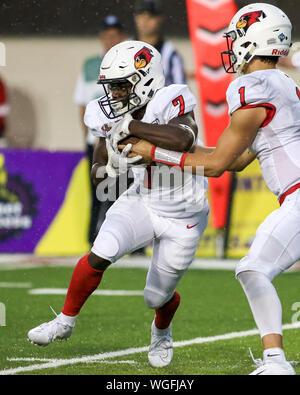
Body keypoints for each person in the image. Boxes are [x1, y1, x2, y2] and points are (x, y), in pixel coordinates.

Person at [126, 3, 300, 375]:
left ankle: (276, 362)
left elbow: (219, 164)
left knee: (254, 269)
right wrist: (163, 153)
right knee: (254, 269)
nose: (233, 44)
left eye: (237, 35)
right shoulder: (282, 83)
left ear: (256, 39)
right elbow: (235, 160)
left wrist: (153, 152)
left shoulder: (252, 86)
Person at [27, 40, 210, 368]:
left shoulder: (172, 97)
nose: (115, 95)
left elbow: (185, 138)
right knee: (101, 251)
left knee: (156, 297)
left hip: (184, 212)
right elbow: (97, 172)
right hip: (141, 199)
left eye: (122, 86)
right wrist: (112, 167)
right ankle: (65, 321)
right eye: (111, 87)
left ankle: (162, 331)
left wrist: (133, 127)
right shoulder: (105, 111)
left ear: (147, 79)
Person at [73, 15, 126, 245]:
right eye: (106, 36)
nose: (110, 40)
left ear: (121, 37)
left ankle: (125, 241)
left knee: (123, 192)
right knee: (98, 190)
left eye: (114, 36)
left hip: (124, 139)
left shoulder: (128, 62)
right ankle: (94, 240)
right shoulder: (90, 65)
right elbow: (82, 104)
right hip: (98, 140)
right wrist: (88, 136)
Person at [134, 0, 187, 86]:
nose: (145, 20)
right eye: (141, 15)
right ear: (135, 17)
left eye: (150, 16)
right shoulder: (126, 48)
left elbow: (181, 90)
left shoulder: (170, 53)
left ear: (160, 19)